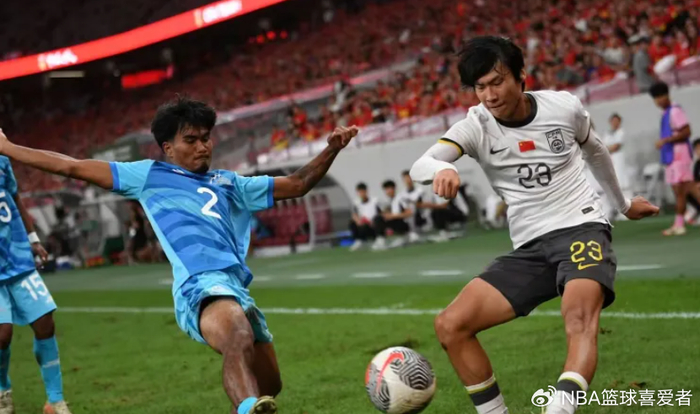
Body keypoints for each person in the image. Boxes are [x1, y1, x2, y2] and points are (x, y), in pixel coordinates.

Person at [0, 96, 359, 414]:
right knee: (237, 336)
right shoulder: (148, 175)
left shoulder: (230, 183)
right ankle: (248, 409)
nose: (202, 146)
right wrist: (9, 148)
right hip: (198, 285)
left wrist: (332, 148)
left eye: (205, 138)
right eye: (191, 140)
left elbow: (297, 184)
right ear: (168, 148)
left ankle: (250, 403)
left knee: (270, 383)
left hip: (234, 286)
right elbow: (72, 166)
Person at [410, 36, 659, 414]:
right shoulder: (476, 126)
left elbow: (595, 150)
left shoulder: (563, 107)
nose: (489, 95)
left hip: (582, 227)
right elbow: (421, 165)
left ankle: (561, 407)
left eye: (497, 82)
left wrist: (622, 204)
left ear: (520, 75)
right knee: (450, 325)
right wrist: (442, 168)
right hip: (530, 248)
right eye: (480, 87)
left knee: (578, 316)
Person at [0, 156, 72, 414]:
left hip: (17, 257)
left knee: (45, 321)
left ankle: (55, 400)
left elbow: (14, 198)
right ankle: (2, 390)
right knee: (2, 334)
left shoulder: (2, 160)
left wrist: (32, 238)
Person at [649, 82, 700, 235]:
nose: (658, 101)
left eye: (659, 97)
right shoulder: (665, 113)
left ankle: (680, 224)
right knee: (679, 191)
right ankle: (679, 224)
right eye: (655, 98)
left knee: (688, 187)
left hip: (679, 154)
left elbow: (687, 131)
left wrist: (666, 140)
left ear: (666, 95)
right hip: (671, 156)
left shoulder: (675, 111)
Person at [601, 113, 631, 220]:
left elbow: (616, 147)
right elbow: (602, 146)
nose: (614, 123)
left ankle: (627, 211)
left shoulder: (621, 132)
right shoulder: (607, 134)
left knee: (622, 185)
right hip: (609, 162)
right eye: (613, 121)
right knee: (612, 186)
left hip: (619, 162)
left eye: (616, 121)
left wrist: (605, 150)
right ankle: (615, 210)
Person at [380, 180, 420, 248]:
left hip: (406, 223)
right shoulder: (390, 201)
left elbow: (409, 213)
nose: (387, 191)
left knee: (382, 219)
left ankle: (409, 235)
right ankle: (382, 240)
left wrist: (393, 216)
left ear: (394, 188)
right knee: (380, 218)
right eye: (386, 190)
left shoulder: (401, 198)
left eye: (389, 189)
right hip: (399, 223)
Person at [349, 182, 385, 251]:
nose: (362, 194)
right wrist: (358, 221)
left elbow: (382, 213)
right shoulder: (356, 203)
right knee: (352, 222)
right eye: (360, 192)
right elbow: (354, 215)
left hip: (375, 225)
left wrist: (372, 221)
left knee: (378, 218)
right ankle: (359, 241)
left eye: (363, 192)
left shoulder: (375, 201)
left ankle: (380, 240)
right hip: (365, 226)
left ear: (366, 191)